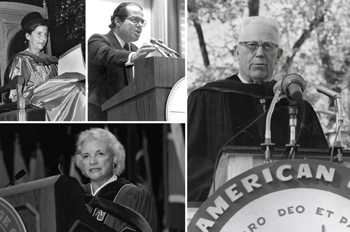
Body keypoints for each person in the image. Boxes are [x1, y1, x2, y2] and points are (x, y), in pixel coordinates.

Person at [187, 16, 329, 202]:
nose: (260, 53)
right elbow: (190, 163)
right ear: (237, 52)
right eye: (251, 45)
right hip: (226, 212)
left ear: (278, 55)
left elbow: (321, 167)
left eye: (268, 46)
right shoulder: (208, 98)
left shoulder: (296, 105)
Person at [3, 12, 86, 121]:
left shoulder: (52, 61)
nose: (43, 39)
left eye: (45, 34)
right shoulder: (21, 59)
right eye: (39, 34)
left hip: (55, 94)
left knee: (81, 88)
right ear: (28, 36)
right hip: (32, 98)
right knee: (77, 89)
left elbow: (60, 84)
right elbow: (14, 95)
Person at [75, 128, 157, 232]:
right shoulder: (76, 195)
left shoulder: (135, 196)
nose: (92, 161)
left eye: (100, 154)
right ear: (81, 162)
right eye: (86, 156)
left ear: (115, 157)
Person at [88, 2, 156, 121]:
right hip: (101, 112)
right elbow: (105, 54)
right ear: (118, 21)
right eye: (135, 20)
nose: (139, 25)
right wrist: (132, 57)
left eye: (142, 21)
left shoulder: (135, 49)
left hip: (130, 112)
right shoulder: (98, 40)